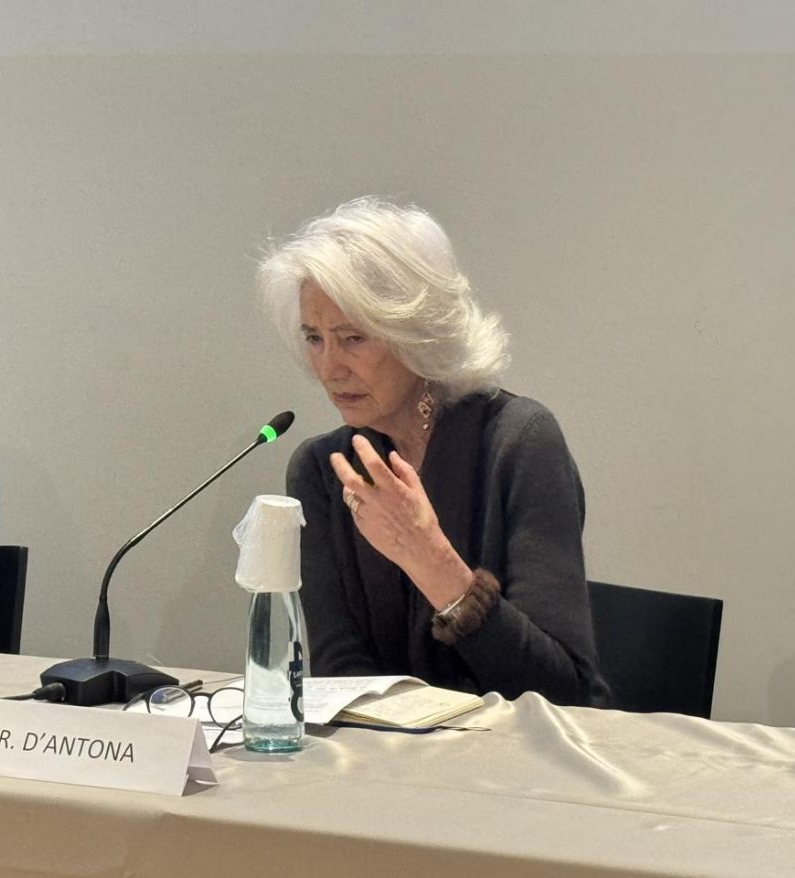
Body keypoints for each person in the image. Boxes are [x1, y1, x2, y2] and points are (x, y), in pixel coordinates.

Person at [258, 197, 608, 706]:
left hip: (511, 749)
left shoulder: (519, 442)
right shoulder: (322, 471)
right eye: (314, 338)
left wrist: (428, 559)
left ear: (417, 334)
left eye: (353, 338)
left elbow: (563, 692)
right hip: (380, 752)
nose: (329, 367)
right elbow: (340, 679)